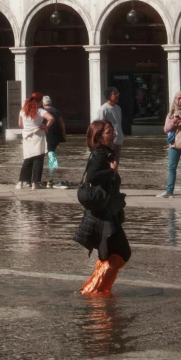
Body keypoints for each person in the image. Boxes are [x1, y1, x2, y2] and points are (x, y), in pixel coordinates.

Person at [74, 120, 131, 295]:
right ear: (99, 136)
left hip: (105, 212)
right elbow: (92, 177)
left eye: (113, 131)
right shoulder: (100, 155)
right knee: (122, 252)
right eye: (109, 132)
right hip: (103, 214)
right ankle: (94, 291)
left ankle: (97, 289)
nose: (113, 134)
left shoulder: (104, 153)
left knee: (109, 254)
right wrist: (111, 172)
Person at [16, 92, 55, 190]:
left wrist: (28, 127)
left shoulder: (23, 111)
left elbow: (20, 124)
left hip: (27, 137)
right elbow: (51, 118)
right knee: (38, 159)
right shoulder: (40, 111)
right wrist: (45, 126)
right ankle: (35, 183)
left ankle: (21, 182)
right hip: (38, 136)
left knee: (28, 159)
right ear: (40, 101)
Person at [96, 87, 124, 165]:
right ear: (109, 95)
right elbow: (100, 126)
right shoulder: (103, 109)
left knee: (116, 164)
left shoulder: (118, 108)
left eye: (118, 93)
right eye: (115, 93)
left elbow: (118, 124)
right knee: (109, 164)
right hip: (109, 142)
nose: (117, 95)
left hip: (118, 140)